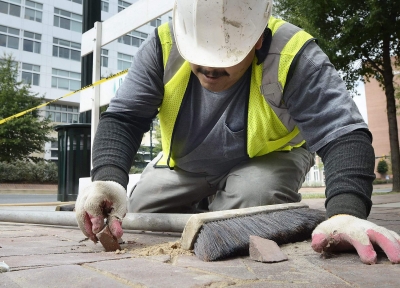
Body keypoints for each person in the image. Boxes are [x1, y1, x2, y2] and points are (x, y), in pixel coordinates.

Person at [76, 0, 400, 264]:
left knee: (253, 200)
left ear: (258, 38)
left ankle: (234, 205)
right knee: (142, 214)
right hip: (190, 164)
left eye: (223, 58)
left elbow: (343, 133)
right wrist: (107, 179)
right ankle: (210, 206)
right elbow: (124, 119)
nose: (207, 69)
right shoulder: (162, 45)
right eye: (198, 55)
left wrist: (346, 212)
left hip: (271, 159)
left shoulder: (294, 53)